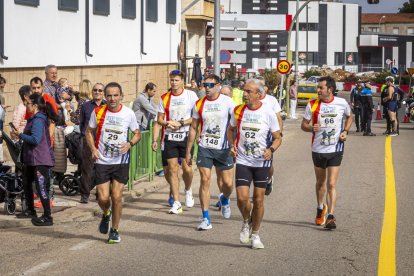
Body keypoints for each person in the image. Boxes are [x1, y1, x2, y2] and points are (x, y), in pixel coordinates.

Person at [227, 78, 282, 249]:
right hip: (243, 160)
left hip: (261, 162)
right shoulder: (238, 111)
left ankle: (256, 234)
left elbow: (278, 138)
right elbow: (230, 129)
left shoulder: (268, 112)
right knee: (242, 199)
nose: (245, 94)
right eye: (244, 91)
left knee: (258, 200)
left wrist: (271, 150)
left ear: (259, 94)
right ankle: (246, 221)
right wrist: (231, 145)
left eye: (249, 92)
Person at [86, 82, 141, 243]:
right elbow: (88, 132)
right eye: (109, 95)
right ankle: (106, 213)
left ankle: (115, 230)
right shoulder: (98, 112)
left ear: (121, 96)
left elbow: (137, 134)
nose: (112, 98)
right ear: (104, 96)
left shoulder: (128, 114)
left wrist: (130, 143)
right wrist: (93, 149)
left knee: (116, 196)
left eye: (115, 95)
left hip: (121, 161)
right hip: (102, 160)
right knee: (103, 198)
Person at [301, 76, 352, 230]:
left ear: (330, 89)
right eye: (318, 87)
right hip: (318, 149)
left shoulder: (341, 103)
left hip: (335, 149)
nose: (318, 90)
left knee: (331, 184)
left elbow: (350, 116)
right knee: (321, 183)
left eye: (321, 88)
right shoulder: (312, 104)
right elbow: (303, 125)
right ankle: (319, 207)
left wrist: (345, 131)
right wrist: (311, 128)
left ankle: (331, 216)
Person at [186, 74, 235, 230]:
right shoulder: (199, 104)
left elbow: (234, 125)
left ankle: (225, 198)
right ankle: (206, 217)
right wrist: (188, 150)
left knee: (227, 184)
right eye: (204, 85)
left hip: (223, 148)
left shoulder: (227, 102)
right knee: (205, 180)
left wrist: (235, 144)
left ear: (218, 85)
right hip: (205, 147)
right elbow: (193, 127)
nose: (207, 88)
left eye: (210, 85)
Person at [13, 93, 59, 226]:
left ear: (35, 106)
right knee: (27, 184)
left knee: (41, 188)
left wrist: (20, 135)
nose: (26, 106)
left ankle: (47, 216)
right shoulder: (33, 118)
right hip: (31, 159)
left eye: (28, 104)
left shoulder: (39, 119)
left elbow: (35, 139)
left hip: (40, 160)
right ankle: (30, 211)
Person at [157, 70, 198, 214]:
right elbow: (159, 119)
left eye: (176, 80)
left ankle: (187, 189)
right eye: (172, 80)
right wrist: (167, 123)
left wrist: (180, 123)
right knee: (172, 169)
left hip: (186, 136)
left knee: (187, 168)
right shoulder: (165, 97)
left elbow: (195, 117)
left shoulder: (191, 95)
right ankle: (176, 202)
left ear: (182, 81)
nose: (174, 83)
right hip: (170, 137)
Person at [78, 82, 106, 204]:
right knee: (87, 169)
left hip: (103, 141)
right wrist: (85, 137)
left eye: (100, 90)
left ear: (103, 92)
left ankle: (100, 193)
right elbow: (82, 123)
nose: (97, 92)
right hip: (88, 141)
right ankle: (84, 194)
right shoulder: (86, 106)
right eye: (95, 90)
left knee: (101, 169)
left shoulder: (107, 106)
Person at [259, 84, 283, 196]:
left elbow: (278, 118)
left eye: (263, 86)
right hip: (256, 136)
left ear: (266, 88)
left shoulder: (271, 100)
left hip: (270, 136)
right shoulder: (251, 98)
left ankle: (268, 180)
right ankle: (258, 190)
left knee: (268, 164)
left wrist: (279, 134)